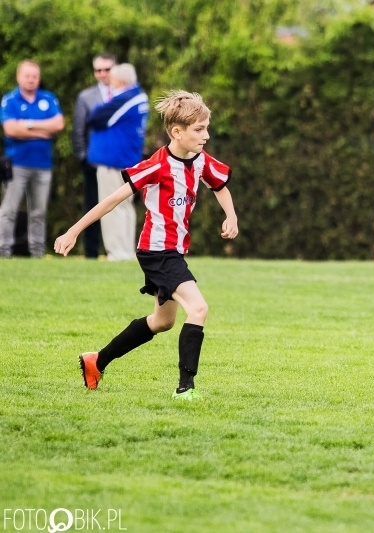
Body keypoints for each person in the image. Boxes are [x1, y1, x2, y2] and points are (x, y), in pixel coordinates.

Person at [54, 90, 238, 400]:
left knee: (162, 322)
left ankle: (96, 361)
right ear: (176, 132)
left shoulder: (200, 160)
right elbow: (112, 200)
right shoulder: (157, 165)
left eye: (206, 128)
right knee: (198, 308)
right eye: (198, 129)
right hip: (157, 251)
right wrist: (73, 231)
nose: (206, 135)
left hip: (172, 251)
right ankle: (185, 388)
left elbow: (220, 185)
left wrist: (231, 216)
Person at [0, 60, 64, 258]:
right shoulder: (10, 100)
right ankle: (3, 250)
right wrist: (42, 129)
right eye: (27, 76)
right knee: (9, 209)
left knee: (39, 211)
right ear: (19, 77)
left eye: (34, 76)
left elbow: (58, 124)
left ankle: (37, 251)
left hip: (43, 164)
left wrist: (26, 125)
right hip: (17, 163)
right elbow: (11, 129)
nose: (31, 79)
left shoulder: (48, 98)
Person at [86, 63, 149, 261]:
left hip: (114, 161)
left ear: (121, 81)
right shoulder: (137, 97)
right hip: (125, 160)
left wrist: (101, 105)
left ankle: (118, 252)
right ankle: (126, 250)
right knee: (124, 207)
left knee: (112, 206)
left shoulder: (126, 98)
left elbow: (96, 117)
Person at [72, 52, 116, 259]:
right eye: (98, 70)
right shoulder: (86, 97)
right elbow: (79, 130)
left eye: (107, 69)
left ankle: (116, 250)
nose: (102, 74)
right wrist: (83, 156)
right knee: (92, 205)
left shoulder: (124, 93)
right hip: (94, 161)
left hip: (120, 161)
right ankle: (91, 252)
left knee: (119, 206)